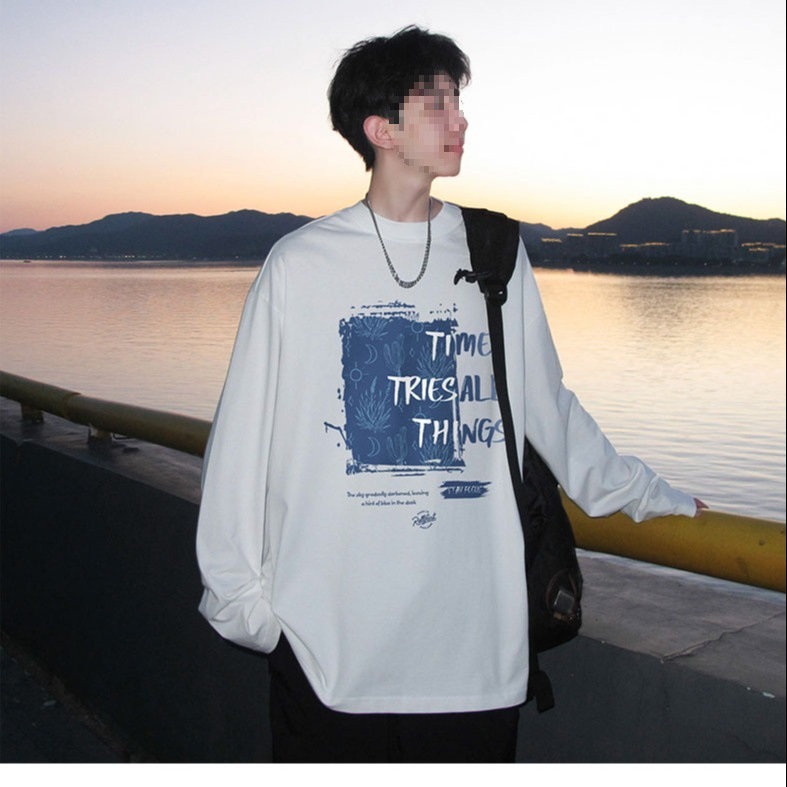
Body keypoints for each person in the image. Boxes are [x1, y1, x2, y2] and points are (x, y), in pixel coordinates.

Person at [196, 25, 706, 763]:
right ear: (381, 129)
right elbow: (242, 442)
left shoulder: (494, 252)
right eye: (436, 103)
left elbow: (547, 407)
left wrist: (648, 493)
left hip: (472, 655)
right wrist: (245, 609)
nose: (460, 119)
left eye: (458, 102)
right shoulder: (300, 267)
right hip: (328, 654)